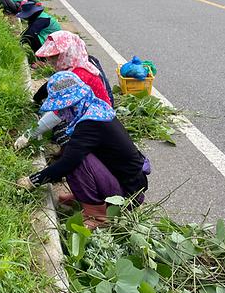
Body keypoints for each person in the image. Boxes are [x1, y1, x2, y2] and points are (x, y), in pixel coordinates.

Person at [16, 71, 150, 228]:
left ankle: (97, 215)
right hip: (128, 184)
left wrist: (33, 181)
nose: (62, 113)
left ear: (75, 104)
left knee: (76, 161)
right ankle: (86, 197)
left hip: (127, 195)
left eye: (65, 108)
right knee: (75, 152)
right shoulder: (95, 108)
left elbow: (67, 164)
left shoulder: (90, 124)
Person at [33, 30, 114, 107]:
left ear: (67, 54)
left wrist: (36, 101)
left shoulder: (74, 76)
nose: (49, 60)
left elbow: (53, 89)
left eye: (53, 56)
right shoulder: (83, 63)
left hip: (98, 115)